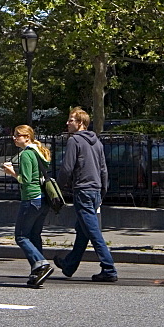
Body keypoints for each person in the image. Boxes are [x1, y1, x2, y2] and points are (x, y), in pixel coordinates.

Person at [54, 107, 118, 283]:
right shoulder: (96, 141)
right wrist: (102, 190)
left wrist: (57, 188)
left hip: (82, 190)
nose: (67, 123)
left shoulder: (74, 141)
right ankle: (69, 265)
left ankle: (109, 268)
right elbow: (103, 168)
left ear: (80, 123)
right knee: (83, 230)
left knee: (93, 232)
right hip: (96, 190)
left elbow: (67, 168)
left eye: (71, 120)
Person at [2, 124, 54, 288]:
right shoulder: (38, 152)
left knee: (21, 236)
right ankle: (37, 271)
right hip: (43, 199)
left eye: (18, 135)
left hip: (31, 198)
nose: (14, 138)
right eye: (14, 134)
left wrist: (10, 172)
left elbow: (25, 180)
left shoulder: (26, 155)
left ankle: (40, 263)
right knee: (34, 235)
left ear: (27, 137)